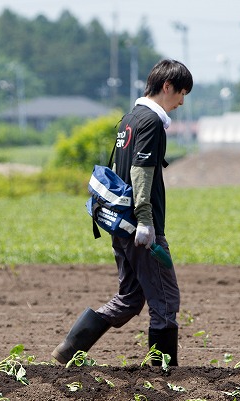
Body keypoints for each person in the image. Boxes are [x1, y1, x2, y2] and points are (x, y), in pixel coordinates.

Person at [52, 59, 193, 366]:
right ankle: (163, 372)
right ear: (167, 87)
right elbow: (140, 172)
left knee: (129, 299)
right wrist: (145, 221)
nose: (182, 101)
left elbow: (118, 170)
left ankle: (69, 348)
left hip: (119, 224)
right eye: (181, 93)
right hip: (139, 228)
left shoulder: (129, 119)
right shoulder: (152, 122)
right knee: (166, 300)